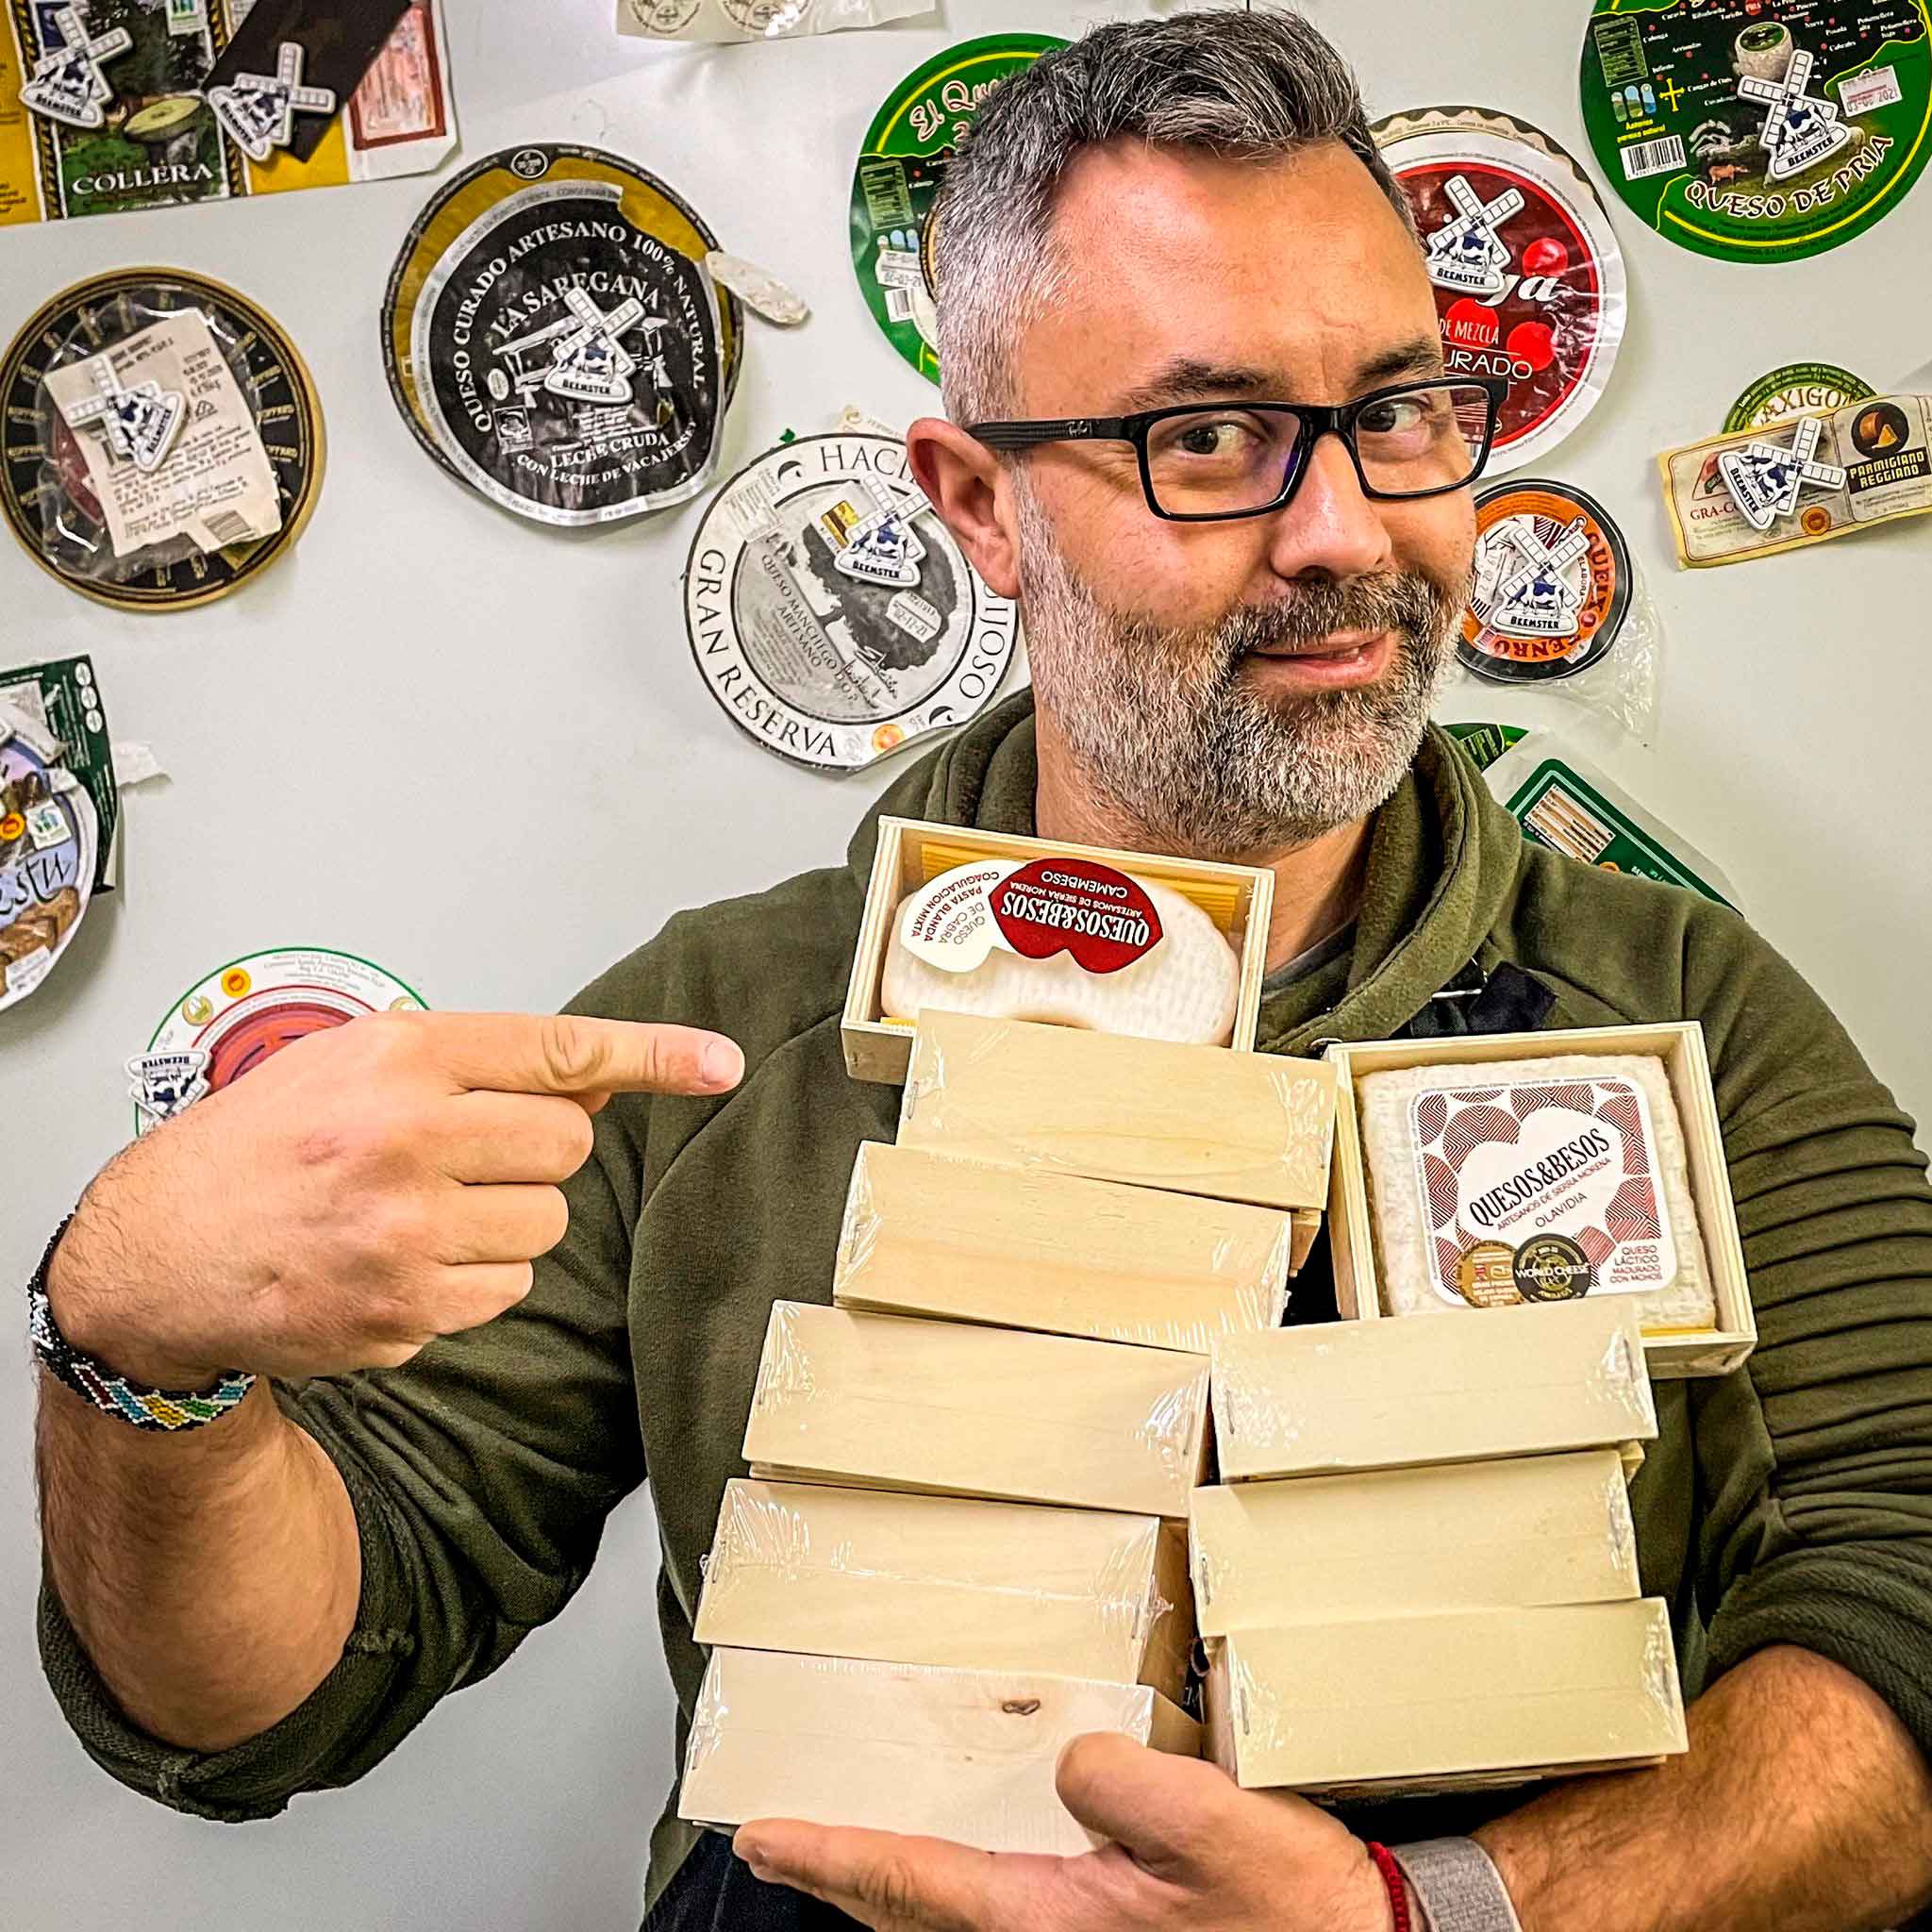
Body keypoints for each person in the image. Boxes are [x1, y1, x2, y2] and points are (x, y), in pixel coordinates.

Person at [30, 11, 1932, 1931]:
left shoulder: (1691, 1012)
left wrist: (1436, 1911)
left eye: (1399, 410)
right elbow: (267, 1697)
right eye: (1209, 438)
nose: (1347, 531)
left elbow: (1910, 1595)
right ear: (974, 505)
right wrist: (138, 1355)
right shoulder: (705, 1045)